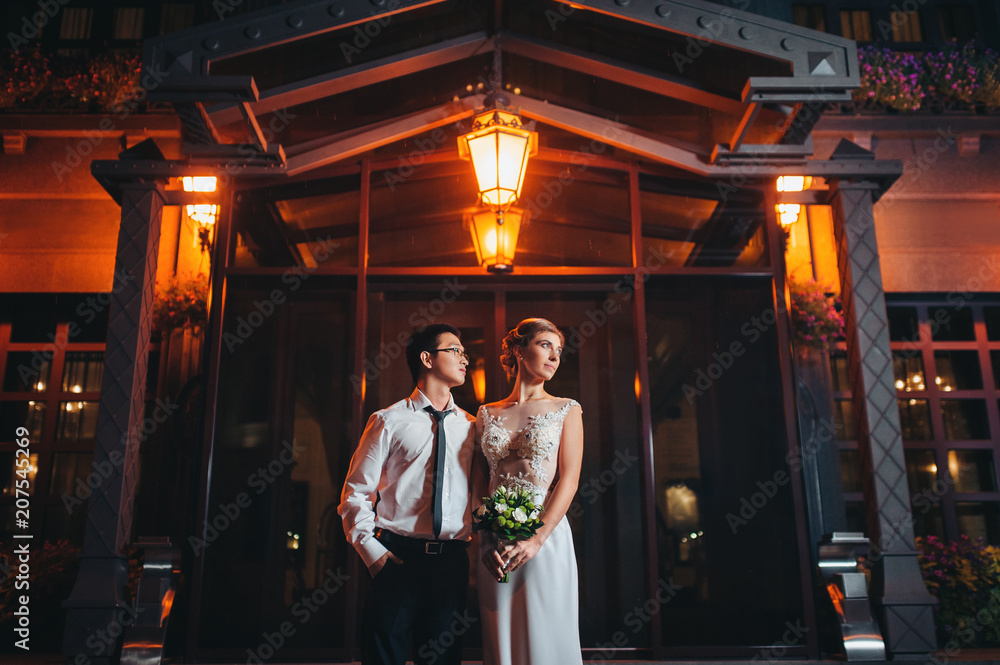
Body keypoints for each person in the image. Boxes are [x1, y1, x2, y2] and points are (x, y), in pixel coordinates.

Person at [339, 323, 476, 665]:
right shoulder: (389, 420)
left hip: (452, 560)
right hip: (398, 556)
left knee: (444, 658)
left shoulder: (472, 426)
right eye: (455, 350)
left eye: (464, 353)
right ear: (427, 358)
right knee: (385, 655)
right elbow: (356, 493)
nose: (465, 359)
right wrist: (373, 553)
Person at [475, 317, 584, 665]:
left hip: (545, 535)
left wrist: (536, 539)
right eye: (545, 345)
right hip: (495, 540)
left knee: (544, 632)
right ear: (519, 350)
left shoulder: (566, 408)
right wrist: (484, 541)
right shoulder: (486, 413)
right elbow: (479, 482)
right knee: (501, 634)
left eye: (559, 350)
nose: (554, 356)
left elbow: (569, 479)